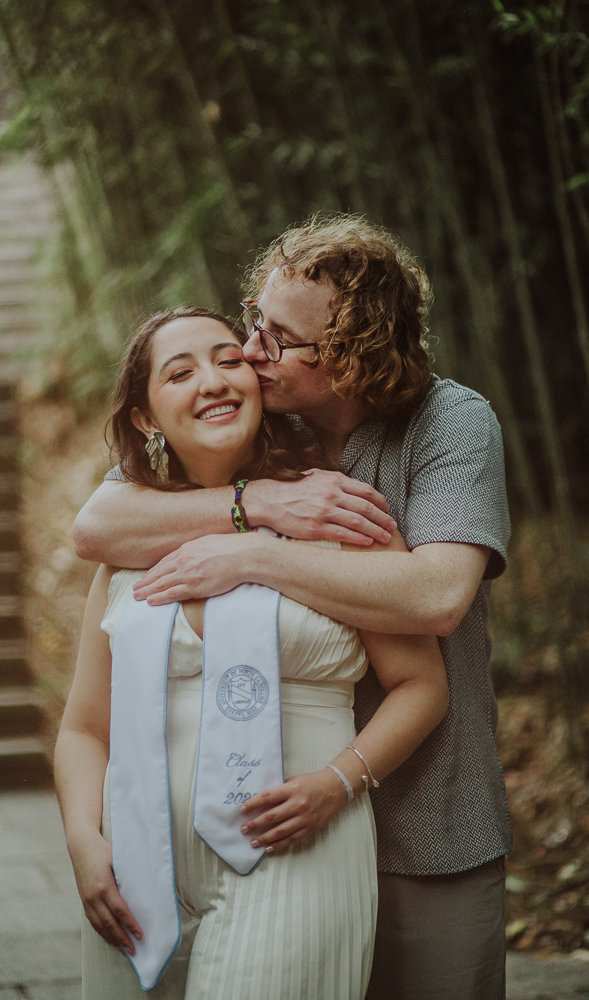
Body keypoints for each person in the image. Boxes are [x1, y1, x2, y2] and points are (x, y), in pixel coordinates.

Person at [72, 216, 512, 1000]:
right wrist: (260, 502)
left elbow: (438, 597)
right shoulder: (253, 424)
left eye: (276, 337)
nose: (247, 350)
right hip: (250, 823)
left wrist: (254, 550)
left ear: (347, 359)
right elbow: (100, 525)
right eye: (253, 318)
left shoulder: (450, 425)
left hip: (424, 813)